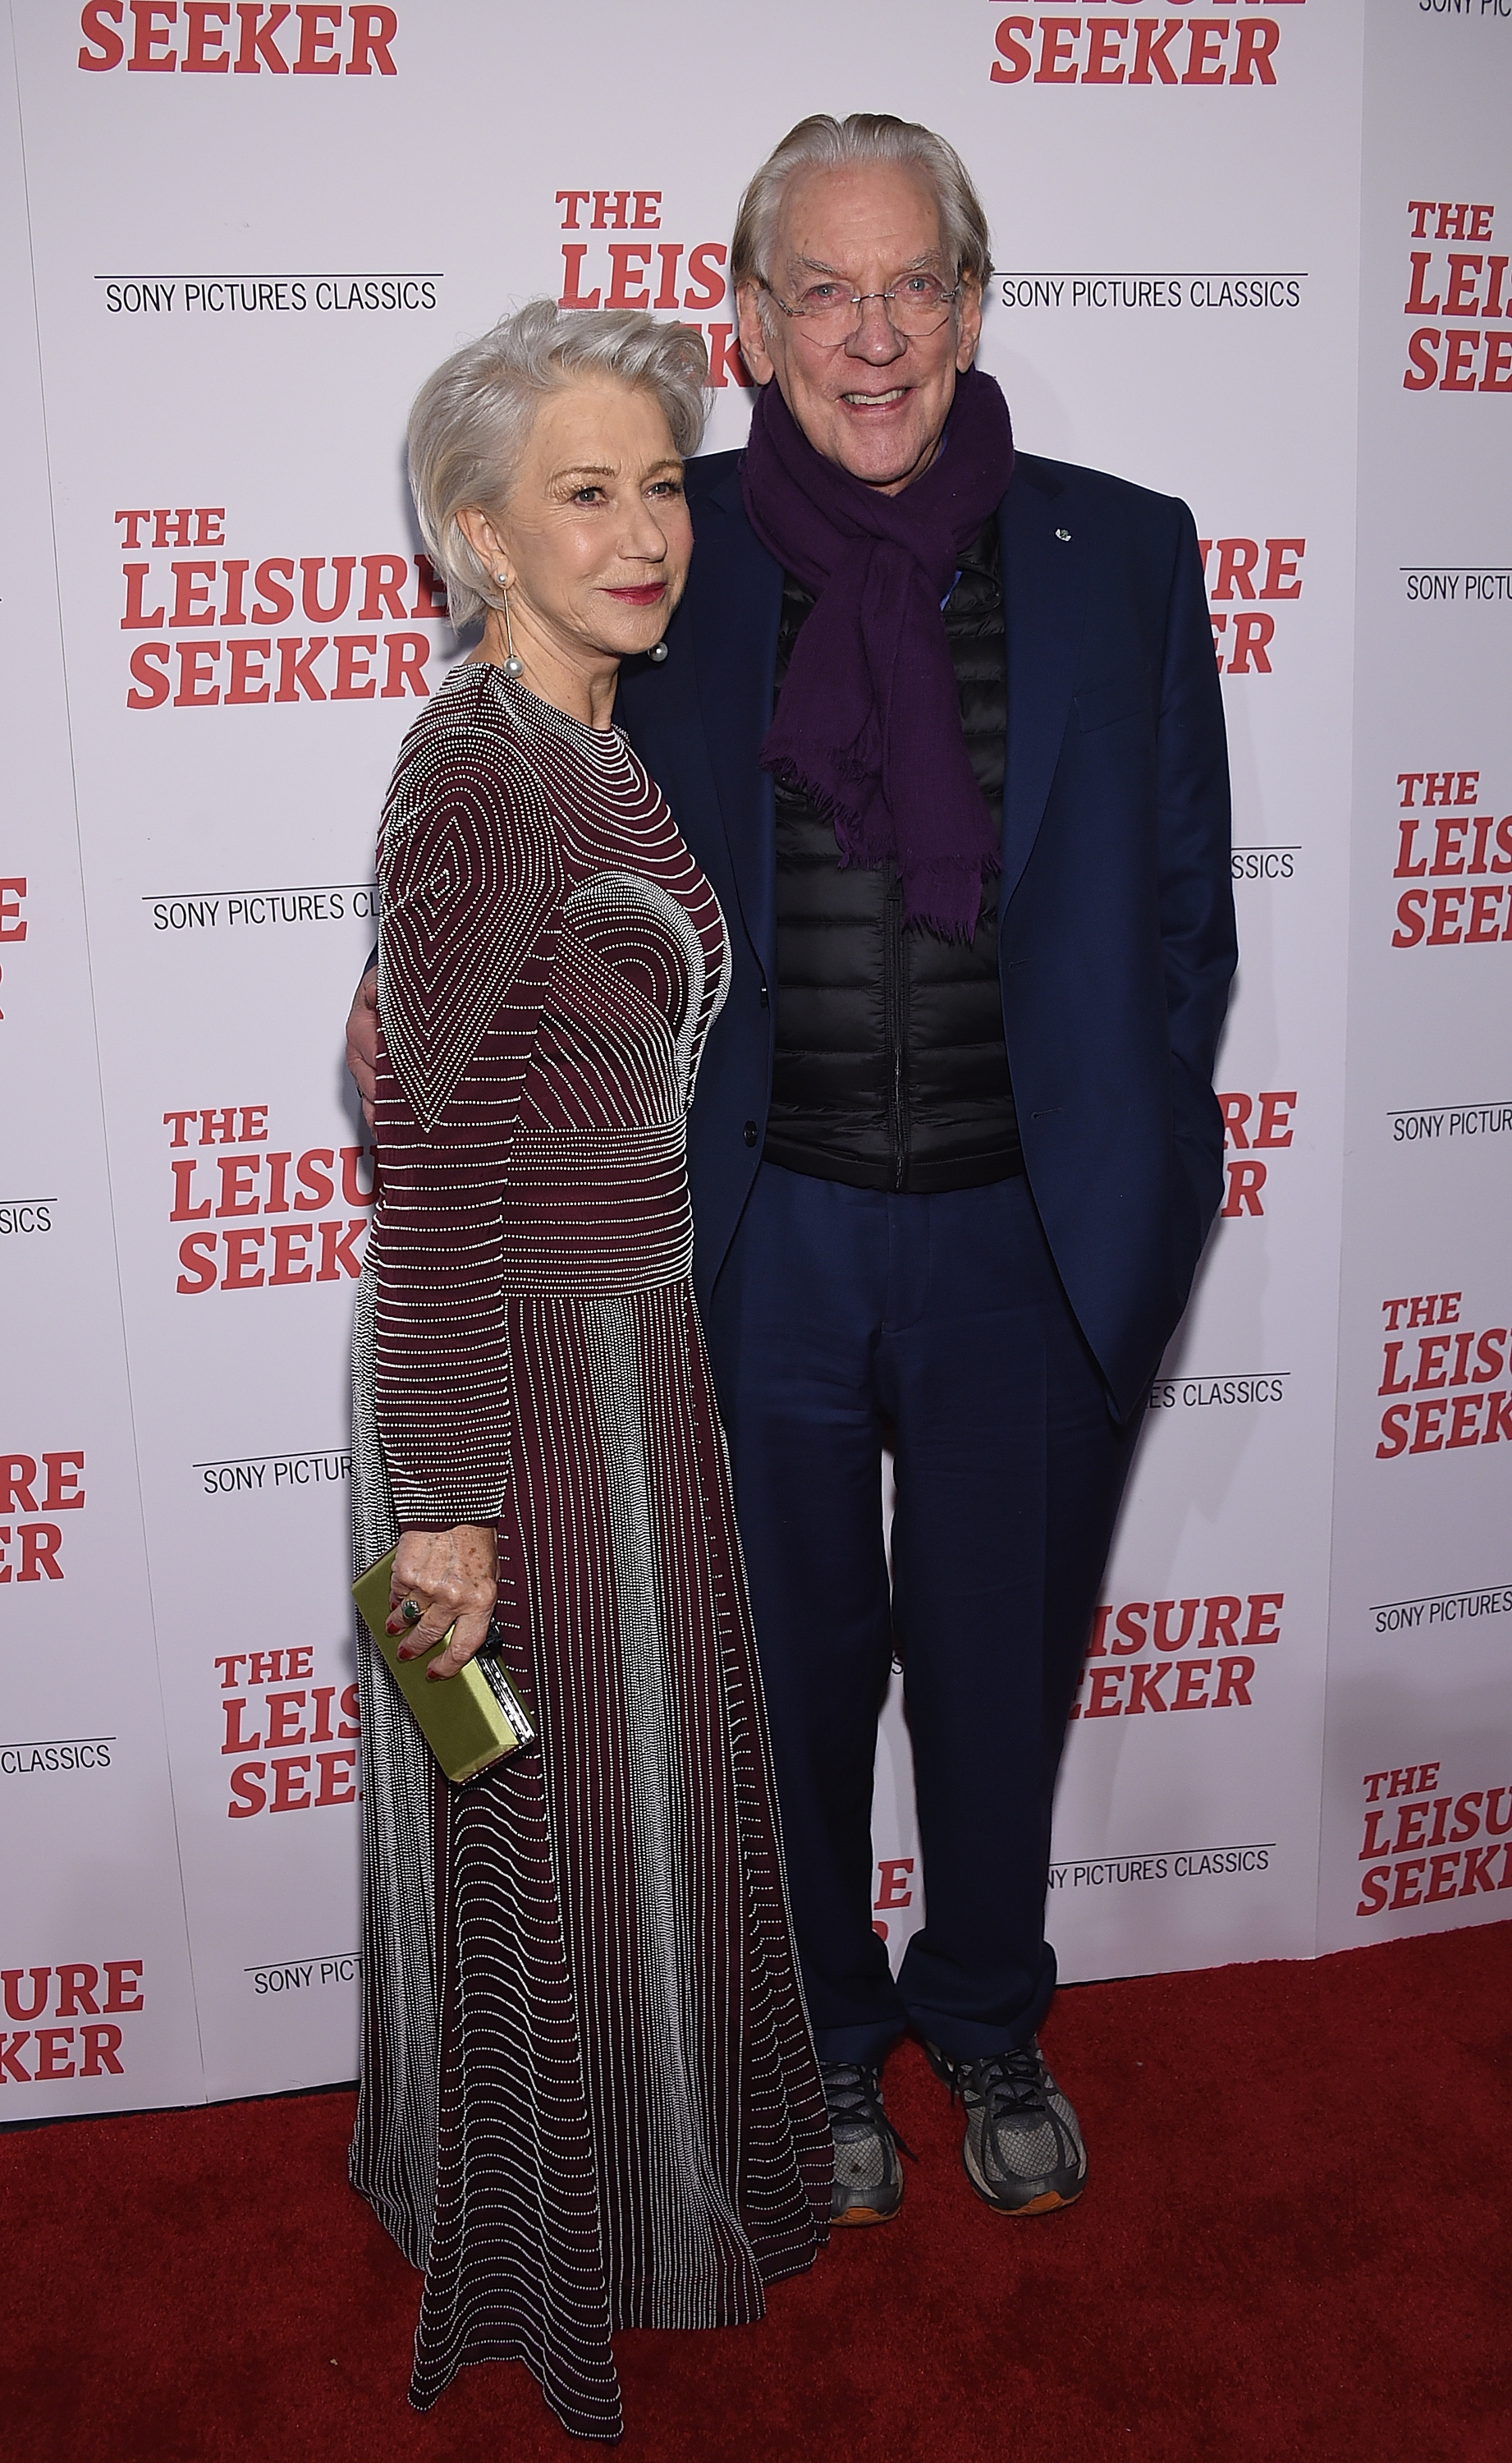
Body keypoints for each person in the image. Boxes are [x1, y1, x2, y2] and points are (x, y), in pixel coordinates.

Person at [348, 113, 1235, 2235]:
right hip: (749, 1243)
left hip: (1031, 1238)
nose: (868, 331)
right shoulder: (680, 538)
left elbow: (1183, 914)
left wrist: (1135, 1160)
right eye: (818, 288)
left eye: (909, 280)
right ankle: (824, 2041)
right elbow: (525, 777)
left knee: (1002, 1665)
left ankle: (991, 2014)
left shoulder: (1129, 549)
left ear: (968, 300)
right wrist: (403, 996)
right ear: (746, 318)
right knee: (784, 1675)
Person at [348, 300, 829, 2447]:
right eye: (583, 490)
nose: (644, 530)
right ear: (474, 528)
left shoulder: (588, 740)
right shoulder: (479, 765)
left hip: (624, 1372)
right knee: (533, 1812)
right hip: (517, 1396)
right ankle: (549, 2244)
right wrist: (444, 1496)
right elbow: (434, 1155)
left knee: (619, 1810)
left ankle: (643, 2196)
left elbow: (461, 1061)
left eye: (659, 484)